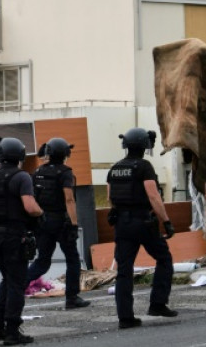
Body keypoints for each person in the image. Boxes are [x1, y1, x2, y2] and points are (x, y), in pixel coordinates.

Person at [106, 127, 176, 329]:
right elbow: (153, 196)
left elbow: (111, 197)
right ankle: (157, 304)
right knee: (163, 259)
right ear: (145, 146)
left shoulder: (115, 168)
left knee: (124, 270)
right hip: (143, 222)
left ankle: (125, 318)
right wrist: (166, 221)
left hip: (122, 224)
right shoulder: (144, 167)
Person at [0, 138, 44, 345]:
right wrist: (43, 214)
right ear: (20, 156)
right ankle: (12, 331)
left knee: (7, 278)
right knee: (16, 283)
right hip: (13, 236)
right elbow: (30, 207)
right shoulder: (21, 177)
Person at [26, 138, 90, 309]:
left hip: (42, 222)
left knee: (42, 261)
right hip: (60, 221)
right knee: (73, 259)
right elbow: (69, 199)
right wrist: (74, 224)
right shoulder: (65, 172)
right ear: (64, 155)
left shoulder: (38, 171)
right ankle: (72, 298)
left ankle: (14, 285)